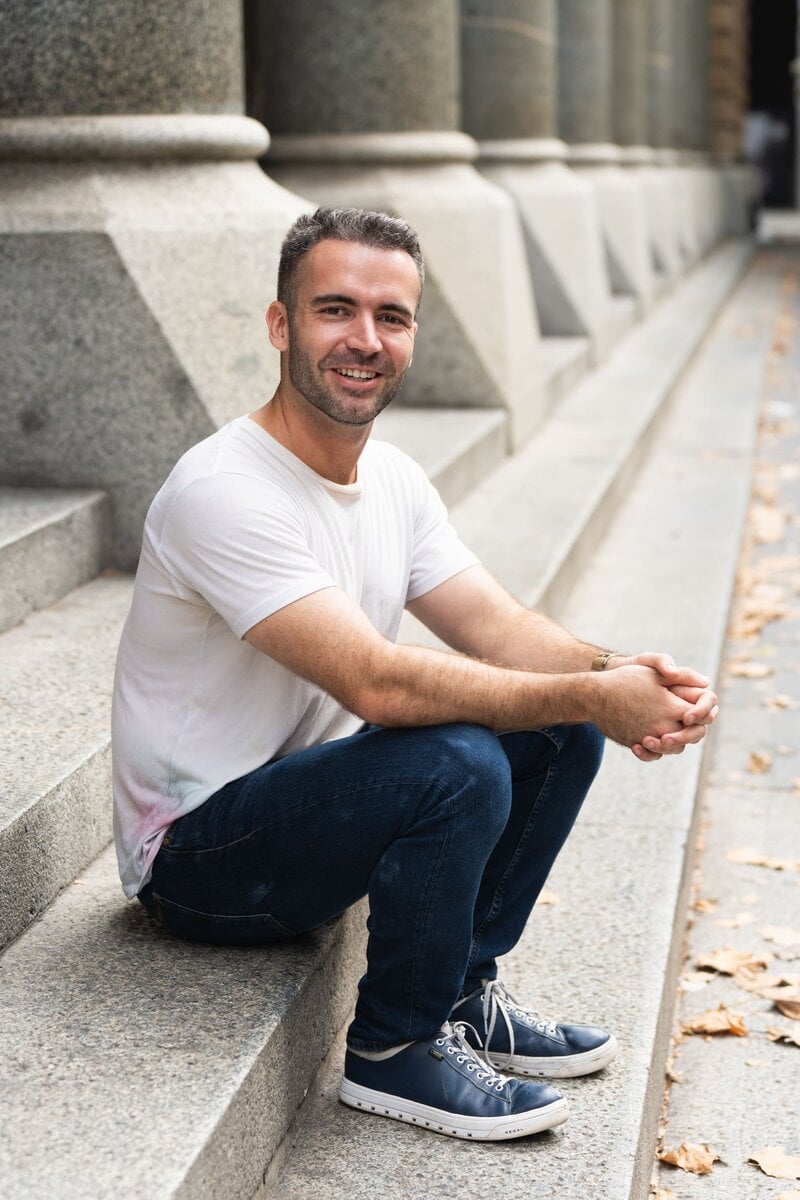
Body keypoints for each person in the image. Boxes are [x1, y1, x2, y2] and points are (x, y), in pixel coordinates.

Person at [112, 206, 719, 1143]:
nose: (364, 340)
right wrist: (596, 694)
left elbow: (499, 628)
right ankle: (395, 1049)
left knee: (553, 729)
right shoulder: (222, 491)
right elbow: (378, 687)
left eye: (391, 317)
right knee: (461, 762)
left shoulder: (390, 479)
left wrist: (623, 673)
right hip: (199, 858)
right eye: (335, 310)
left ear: (412, 335)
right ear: (282, 327)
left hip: (303, 800)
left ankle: (464, 991)